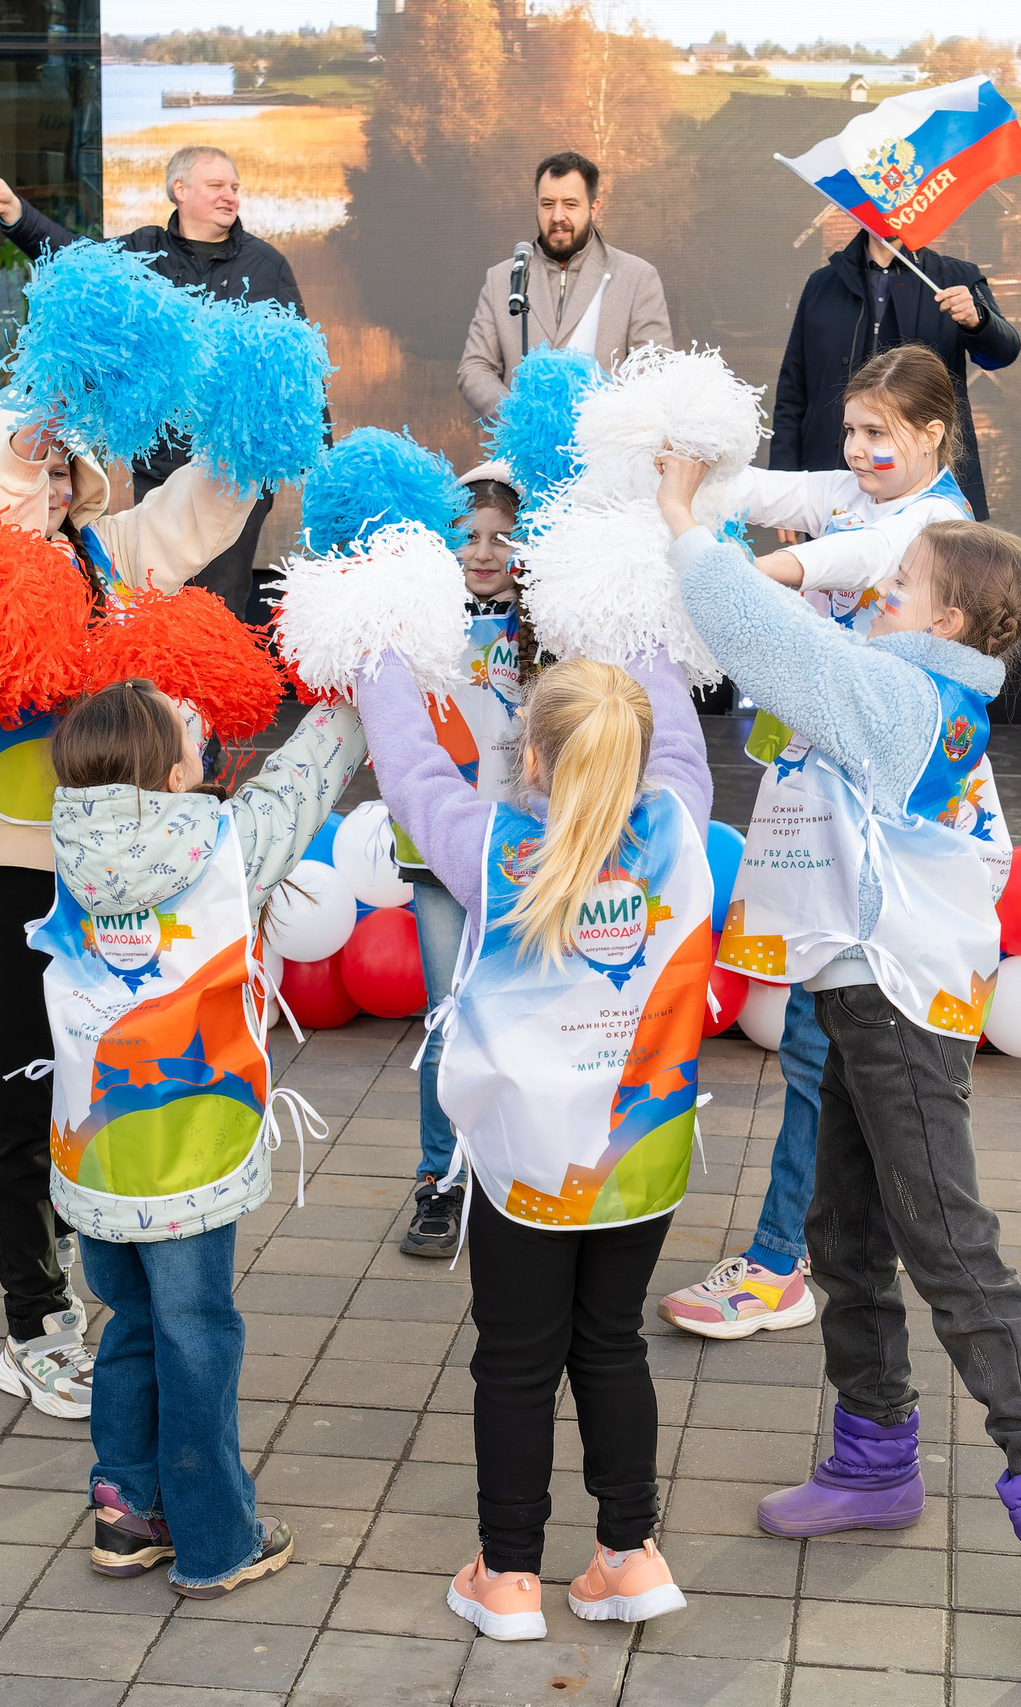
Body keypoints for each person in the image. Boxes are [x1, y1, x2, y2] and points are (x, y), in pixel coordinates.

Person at [656, 469, 1021, 1676]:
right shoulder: (892, 677)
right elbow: (787, 659)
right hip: (850, 982)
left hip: (896, 998)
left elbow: (758, 631)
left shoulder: (901, 698)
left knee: (948, 1247)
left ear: (950, 621)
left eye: (900, 582)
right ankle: (872, 1458)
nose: (879, 587)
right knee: (845, 1231)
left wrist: (688, 529)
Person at [658, 345, 1012, 1341]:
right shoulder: (856, 494)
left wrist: (727, 565)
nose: (857, 452)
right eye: (850, 431)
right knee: (826, 1052)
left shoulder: (936, 527)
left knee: (829, 1048)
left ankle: (790, 1261)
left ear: (933, 435)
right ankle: (825, 1255)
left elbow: (829, 563)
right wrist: (679, 447)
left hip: (879, 829)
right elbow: (767, 488)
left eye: (879, 434)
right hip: (832, 803)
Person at [359, 650, 712, 1642]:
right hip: (641, 1153)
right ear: (639, 754)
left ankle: (509, 1575)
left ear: (533, 758)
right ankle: (629, 1556)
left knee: (513, 1363)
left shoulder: (487, 844)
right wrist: (635, 618)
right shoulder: (680, 821)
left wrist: (377, 647)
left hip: (524, 1164)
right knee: (612, 1342)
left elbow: (410, 766)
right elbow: (678, 736)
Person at [0, 410, 260, 1421]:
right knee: (22, 1096)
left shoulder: (104, 562)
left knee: (99, 1076)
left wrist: (251, 424)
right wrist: (21, 446)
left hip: (108, 877)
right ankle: (35, 1325)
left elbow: (194, 514)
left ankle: (89, 1255)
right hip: (12, 865)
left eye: (67, 467)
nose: (57, 485)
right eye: (35, 470)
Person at [37, 678, 363, 1598]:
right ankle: (218, 1536)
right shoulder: (223, 841)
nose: (201, 718)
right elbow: (309, 770)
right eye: (188, 722)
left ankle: (126, 1511)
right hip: (190, 1149)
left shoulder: (69, 835)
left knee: (133, 1326)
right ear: (174, 768)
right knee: (198, 1337)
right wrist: (366, 664)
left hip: (94, 1149)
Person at [0, 147, 302, 626]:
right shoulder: (144, 249)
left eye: (234, 187)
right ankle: (157, 701)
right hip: (163, 460)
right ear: (180, 190)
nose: (230, 196)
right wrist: (15, 214)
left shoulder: (266, 263)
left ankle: (213, 696)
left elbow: (292, 370)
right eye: (217, 186)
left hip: (232, 464)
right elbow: (77, 262)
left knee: (218, 601)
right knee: (156, 591)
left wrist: (313, 457)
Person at [393, 464, 534, 1258]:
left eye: (500, 538)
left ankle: (515, 1169)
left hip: (525, 849)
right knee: (448, 1018)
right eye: (467, 537)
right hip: (441, 852)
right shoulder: (422, 619)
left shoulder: (546, 623)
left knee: (519, 1012)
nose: (483, 553)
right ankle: (438, 1182)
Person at [768, 228, 1019, 521]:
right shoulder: (821, 285)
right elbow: (792, 391)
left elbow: (1002, 353)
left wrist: (978, 320)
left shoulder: (956, 278)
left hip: (927, 485)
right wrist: (781, 487)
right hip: (833, 477)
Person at [457, 151, 673, 420]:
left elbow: (655, 371)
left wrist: (607, 422)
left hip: (606, 452)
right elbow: (474, 368)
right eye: (548, 204)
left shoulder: (637, 277)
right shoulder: (502, 278)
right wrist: (516, 417)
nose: (557, 216)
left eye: (570, 204)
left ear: (594, 208)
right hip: (523, 453)